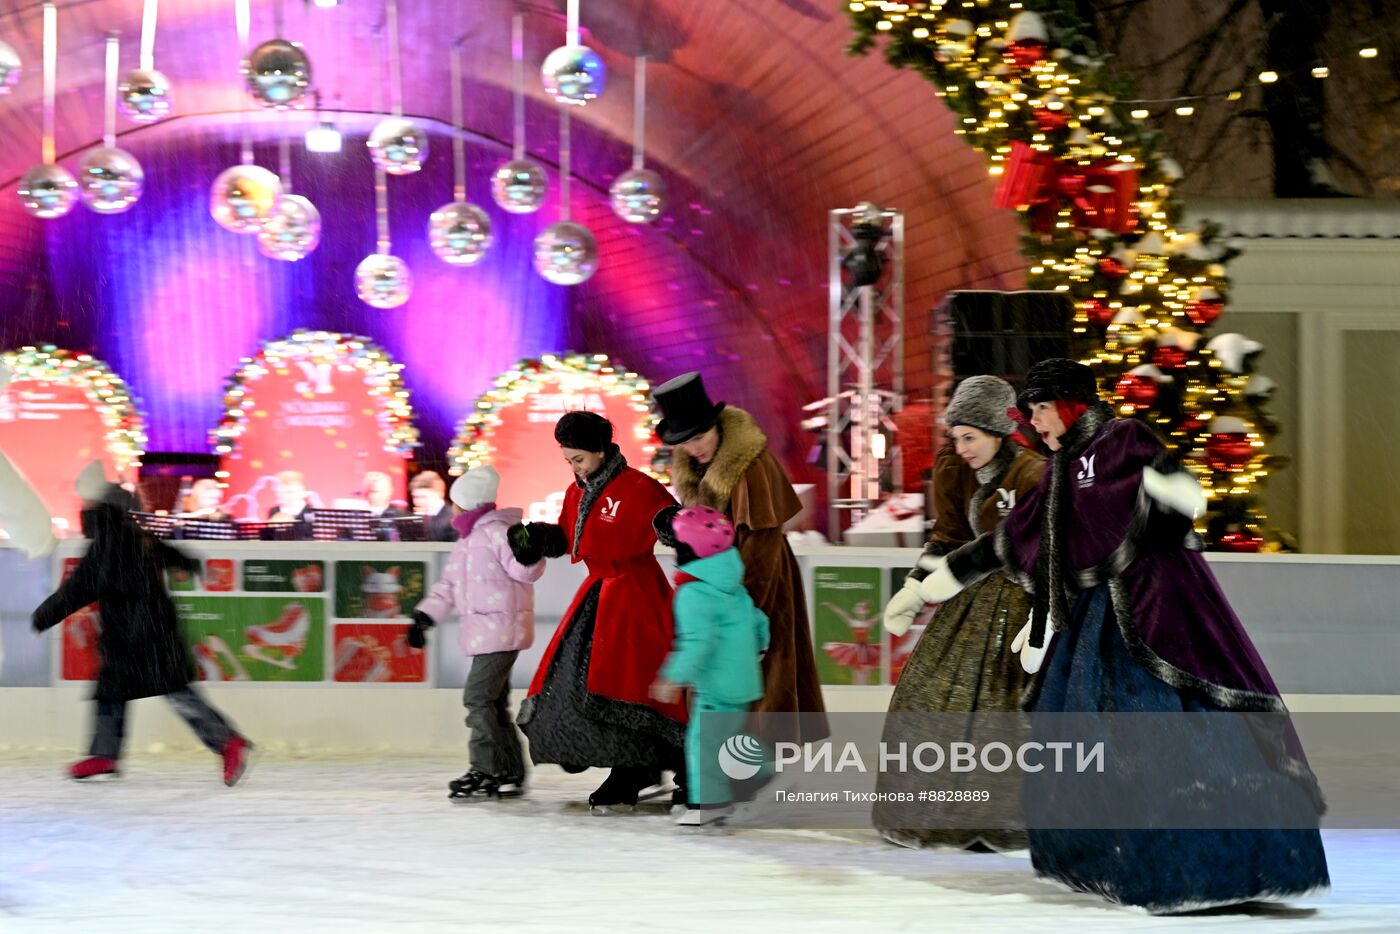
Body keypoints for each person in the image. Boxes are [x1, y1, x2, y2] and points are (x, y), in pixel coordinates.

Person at [918, 358, 1329, 912]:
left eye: (1040, 409)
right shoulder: (1061, 468)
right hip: (1095, 614)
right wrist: (935, 582)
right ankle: (1118, 858)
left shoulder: (1122, 440)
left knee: (1160, 733)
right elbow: (1010, 538)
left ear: (1071, 404)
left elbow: (1178, 490)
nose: (1034, 423)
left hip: (1160, 603)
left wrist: (1176, 492)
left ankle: (1204, 868)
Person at [875, 376, 1045, 850]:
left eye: (970, 437)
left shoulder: (1033, 475)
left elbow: (1044, 552)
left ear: (999, 432)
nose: (961, 447)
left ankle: (1005, 817)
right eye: (956, 436)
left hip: (1021, 601)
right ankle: (931, 813)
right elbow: (950, 538)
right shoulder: (953, 469)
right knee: (927, 695)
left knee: (1005, 711)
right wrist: (913, 587)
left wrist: (1043, 615)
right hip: (967, 599)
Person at [30, 463, 254, 786]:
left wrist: (42, 617)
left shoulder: (106, 548)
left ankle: (226, 742)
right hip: (150, 631)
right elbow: (176, 556)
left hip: (136, 636)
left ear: (101, 510)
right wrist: (188, 566)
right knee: (130, 692)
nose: (84, 510)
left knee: (160, 693)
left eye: (87, 505)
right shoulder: (139, 538)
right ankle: (106, 754)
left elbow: (76, 590)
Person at [510, 412, 686, 811]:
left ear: (601, 450)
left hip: (635, 596)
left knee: (627, 685)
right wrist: (535, 536)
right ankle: (628, 765)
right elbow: (565, 538)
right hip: (597, 595)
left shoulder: (639, 487)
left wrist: (676, 525)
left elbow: (666, 521)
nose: (574, 468)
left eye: (579, 459)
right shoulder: (576, 493)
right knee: (580, 683)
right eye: (568, 461)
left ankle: (637, 768)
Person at [653, 372, 825, 745]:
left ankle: (753, 765)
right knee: (726, 675)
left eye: (700, 436)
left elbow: (762, 540)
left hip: (757, 580)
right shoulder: (693, 467)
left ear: (717, 426)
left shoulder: (752, 465)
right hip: (721, 585)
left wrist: (742, 606)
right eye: (685, 441)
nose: (694, 447)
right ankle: (723, 766)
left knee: (763, 672)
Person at [408, 466, 543, 800]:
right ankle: (509, 772)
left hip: (502, 631)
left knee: (478, 699)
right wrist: (425, 616)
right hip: (486, 633)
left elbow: (526, 572)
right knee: (493, 703)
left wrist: (529, 549)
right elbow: (449, 585)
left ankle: (486, 769)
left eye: (455, 502)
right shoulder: (469, 540)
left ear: (464, 505)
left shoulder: (499, 531)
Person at [650, 506, 769, 827]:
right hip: (743, 681)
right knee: (728, 739)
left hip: (717, 685)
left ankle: (710, 803)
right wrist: (758, 647)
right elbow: (759, 620)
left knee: (704, 743)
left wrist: (672, 677)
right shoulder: (730, 582)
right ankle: (768, 773)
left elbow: (697, 642)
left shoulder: (694, 593)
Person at [410, 470, 458, 542]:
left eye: (423, 497)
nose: (418, 502)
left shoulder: (453, 519)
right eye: (415, 497)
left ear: (439, 493)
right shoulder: (419, 518)